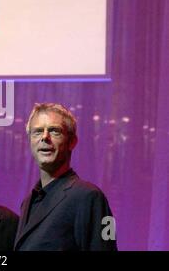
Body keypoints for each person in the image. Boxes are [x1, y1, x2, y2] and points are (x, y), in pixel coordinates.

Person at [14, 103, 117, 251]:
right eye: (37, 132)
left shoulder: (89, 197)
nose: (44, 137)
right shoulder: (28, 201)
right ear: (30, 141)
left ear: (72, 142)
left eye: (54, 131)